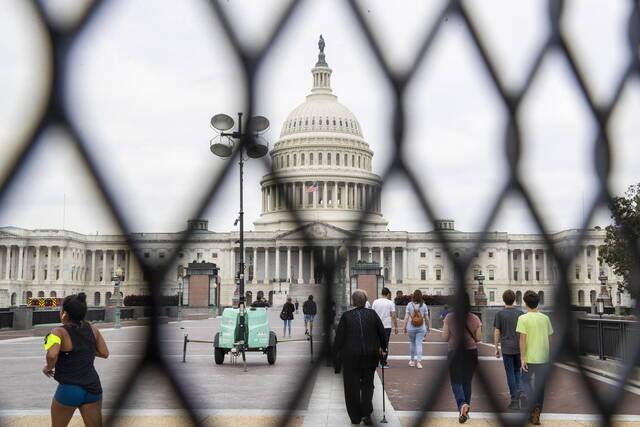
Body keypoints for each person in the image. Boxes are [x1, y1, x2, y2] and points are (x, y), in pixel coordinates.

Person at [43, 293, 109, 427]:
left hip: (69, 388)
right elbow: (104, 353)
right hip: (93, 388)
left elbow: (52, 355)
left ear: (65, 313)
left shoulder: (57, 332)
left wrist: (48, 367)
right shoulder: (93, 329)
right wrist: (84, 349)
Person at [334, 289, 388, 425]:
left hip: (351, 357)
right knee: (368, 385)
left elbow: (339, 339)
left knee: (351, 387)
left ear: (353, 301)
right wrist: (383, 348)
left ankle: (355, 416)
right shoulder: (373, 314)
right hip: (370, 356)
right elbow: (382, 334)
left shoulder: (346, 316)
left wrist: (336, 355)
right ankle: (366, 412)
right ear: (365, 301)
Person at [442, 293, 482, 424]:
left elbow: (445, 337)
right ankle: (465, 410)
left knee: (456, 381)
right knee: (467, 381)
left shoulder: (449, 317)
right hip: (471, 352)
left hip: (455, 351)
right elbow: (479, 338)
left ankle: (462, 404)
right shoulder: (475, 318)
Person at [516, 290, 554, 425]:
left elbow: (522, 340)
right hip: (544, 357)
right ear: (538, 303)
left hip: (529, 357)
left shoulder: (523, 318)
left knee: (525, 382)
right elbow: (550, 339)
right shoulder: (545, 318)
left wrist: (522, 357)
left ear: (525, 303)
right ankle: (537, 413)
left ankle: (533, 405)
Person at [493, 289, 523, 410]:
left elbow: (497, 332)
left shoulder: (499, 314)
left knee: (510, 373)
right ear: (514, 299)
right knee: (517, 371)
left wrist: (496, 347)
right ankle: (521, 393)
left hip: (506, 348)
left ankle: (514, 399)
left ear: (503, 299)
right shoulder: (520, 313)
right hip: (519, 347)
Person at [371, 287, 398, 368]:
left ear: (381, 293)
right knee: (385, 344)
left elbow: (372, 314)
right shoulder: (390, 303)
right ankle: (383, 362)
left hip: (376, 326)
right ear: (388, 294)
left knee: (376, 344)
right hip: (386, 326)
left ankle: (376, 361)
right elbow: (393, 315)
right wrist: (396, 327)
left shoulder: (375, 302)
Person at [403, 289, 428, 369]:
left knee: (412, 343)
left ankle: (412, 361)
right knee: (419, 344)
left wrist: (404, 327)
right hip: (421, 327)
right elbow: (427, 318)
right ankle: (419, 362)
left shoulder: (409, 305)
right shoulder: (423, 305)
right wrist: (428, 326)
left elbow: (406, 317)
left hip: (411, 327)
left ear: (413, 296)